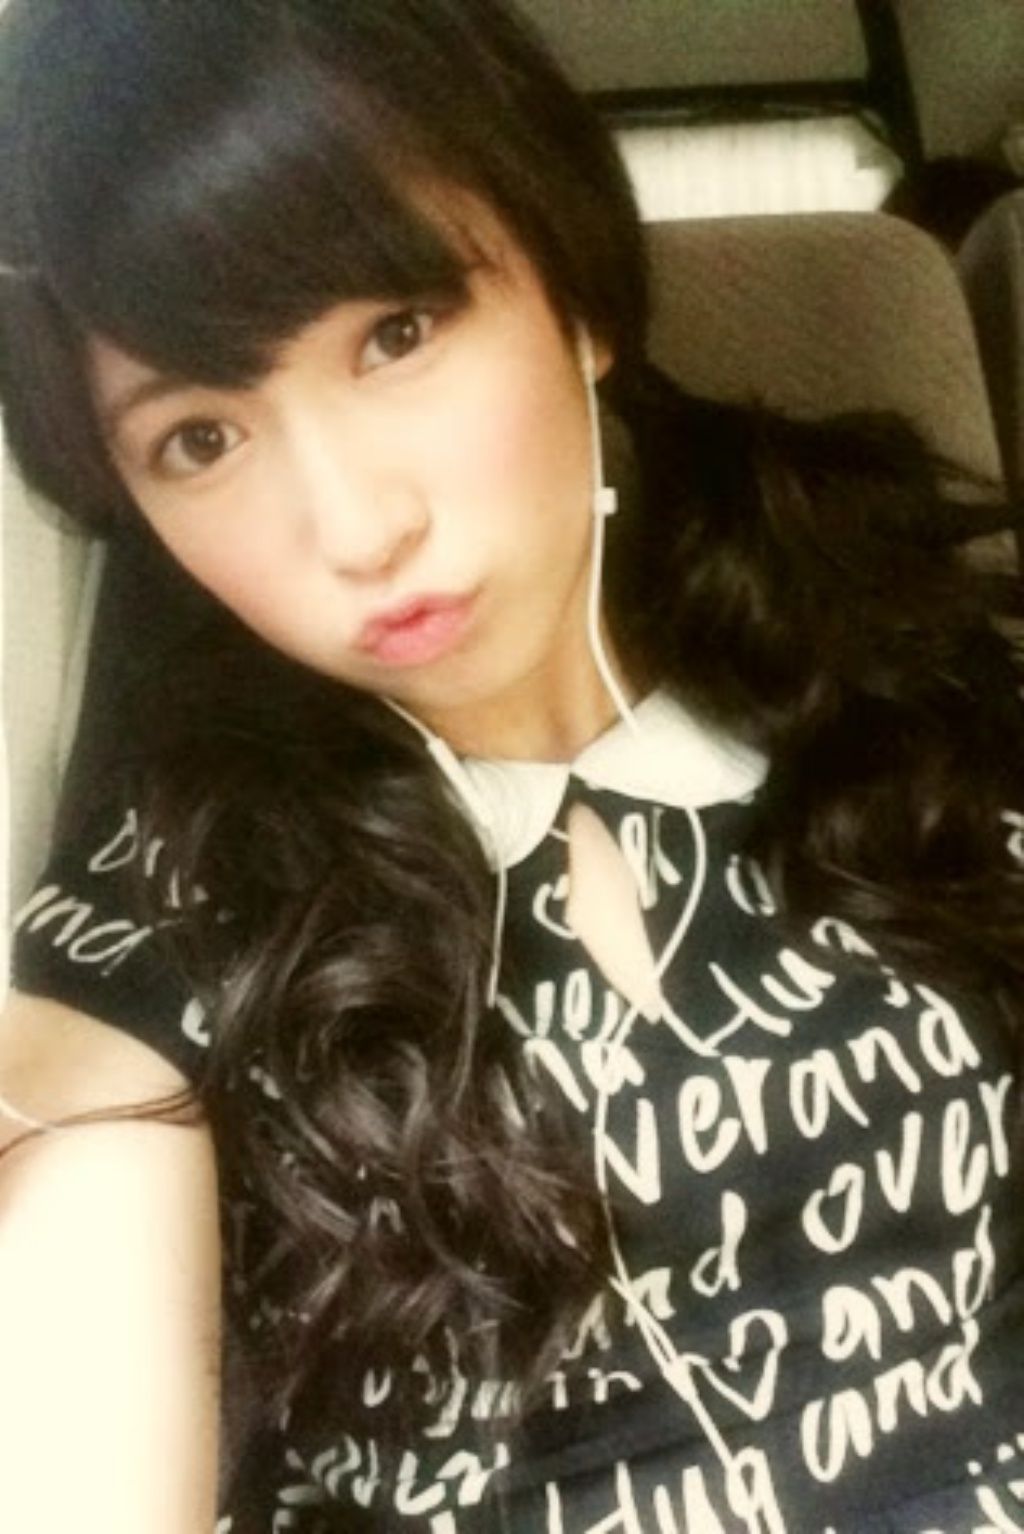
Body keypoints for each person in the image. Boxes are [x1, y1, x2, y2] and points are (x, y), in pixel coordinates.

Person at [1, 2, 1023, 1530]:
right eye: (200, 438)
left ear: (577, 292)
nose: (356, 529)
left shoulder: (909, 671)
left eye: (396, 334)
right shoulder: (166, 906)